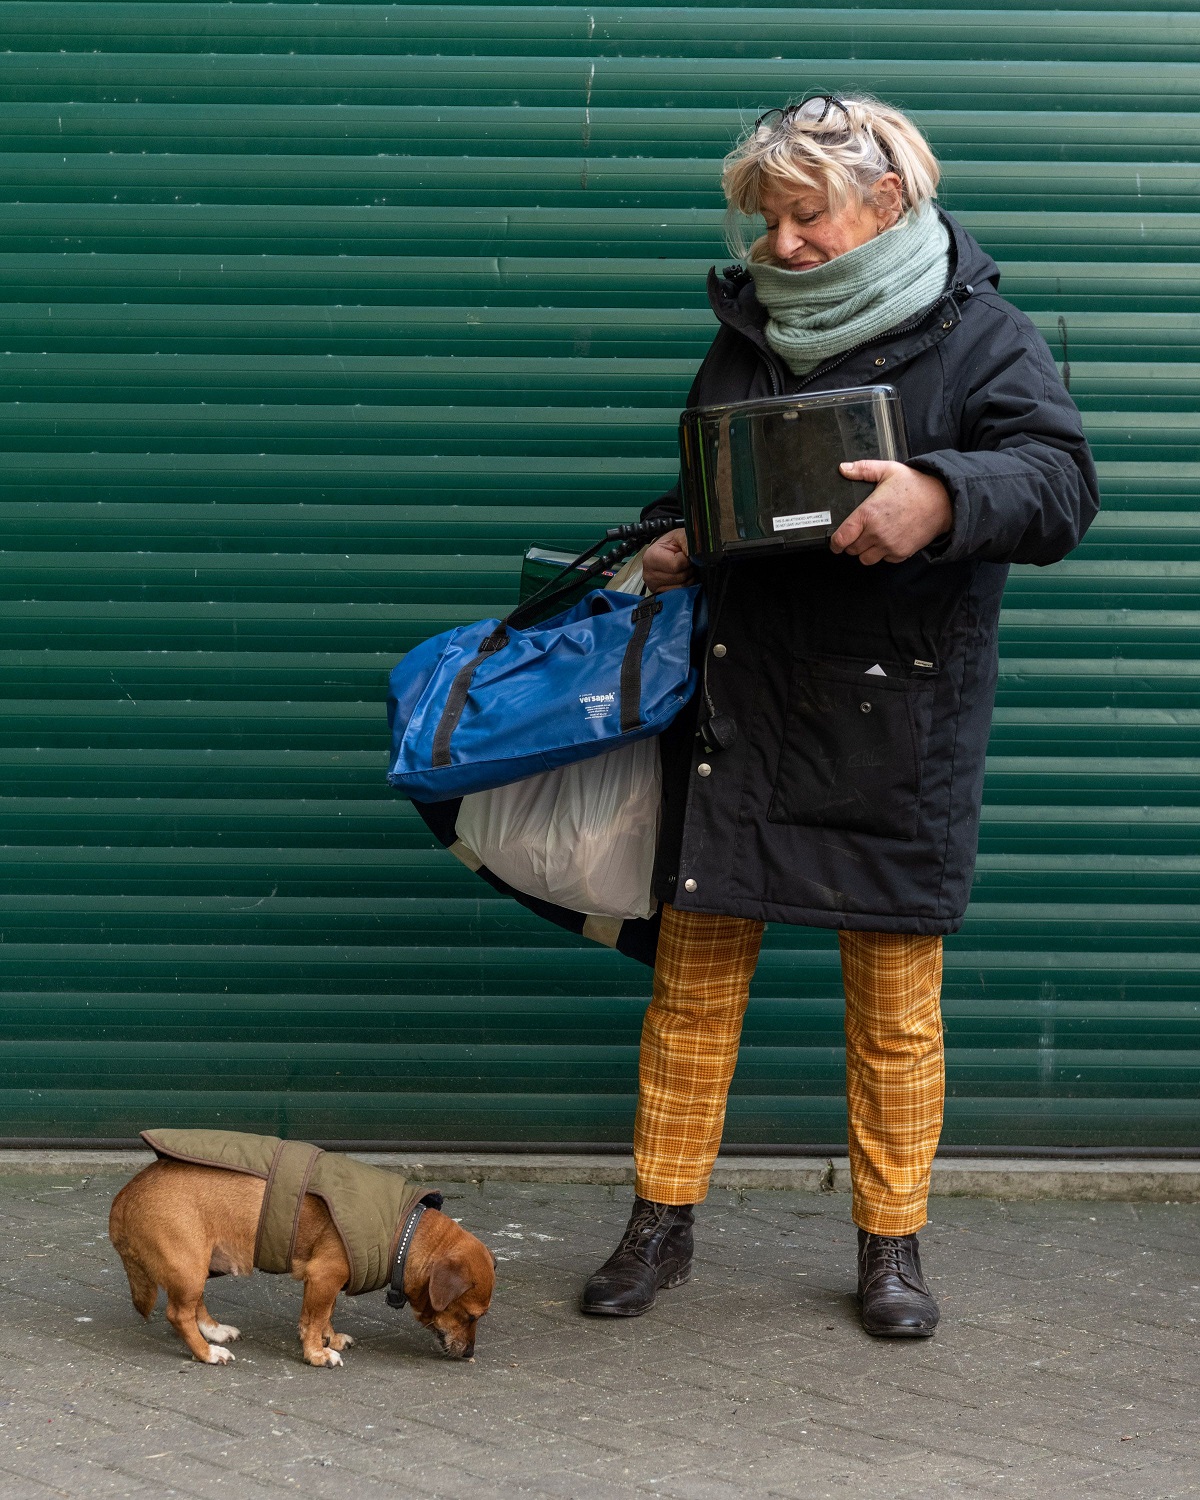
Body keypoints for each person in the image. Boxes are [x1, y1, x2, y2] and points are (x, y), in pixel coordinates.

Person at [579, 94, 1099, 1337]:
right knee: (693, 991)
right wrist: (672, 536)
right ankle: (660, 1224)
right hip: (746, 703)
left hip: (895, 719)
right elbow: (719, 474)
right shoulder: (751, 332)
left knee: (896, 1010)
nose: (784, 244)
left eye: (805, 215)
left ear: (888, 199)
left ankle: (892, 1247)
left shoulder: (984, 336)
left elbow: (1060, 483)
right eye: (767, 221)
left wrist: (941, 493)